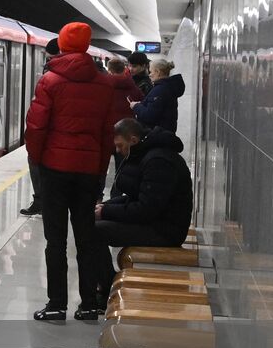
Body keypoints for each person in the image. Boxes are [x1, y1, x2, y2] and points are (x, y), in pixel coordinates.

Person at [24, 22, 122, 322]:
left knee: (55, 240)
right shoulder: (105, 83)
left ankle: (56, 304)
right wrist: (101, 165)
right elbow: (109, 132)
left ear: (63, 45)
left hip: (55, 169)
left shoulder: (50, 81)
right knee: (86, 237)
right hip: (89, 171)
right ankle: (90, 304)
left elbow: (36, 128)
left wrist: (38, 162)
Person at [94, 118, 194, 290]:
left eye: (120, 146)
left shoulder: (158, 161)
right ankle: (105, 284)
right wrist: (105, 206)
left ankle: (106, 288)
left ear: (133, 140)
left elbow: (145, 209)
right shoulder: (147, 154)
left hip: (165, 231)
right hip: (157, 222)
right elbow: (136, 196)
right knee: (91, 224)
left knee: (93, 232)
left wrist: (106, 212)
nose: (118, 151)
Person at [19, 38, 62, 217]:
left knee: (37, 163)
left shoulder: (50, 76)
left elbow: (39, 113)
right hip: (83, 141)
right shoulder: (97, 75)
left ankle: (41, 202)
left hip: (52, 134)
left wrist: (32, 143)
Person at [132, 59, 185, 134]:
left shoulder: (160, 90)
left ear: (158, 72)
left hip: (157, 136)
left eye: (151, 71)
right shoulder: (168, 87)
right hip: (165, 133)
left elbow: (149, 115)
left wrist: (136, 106)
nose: (149, 75)